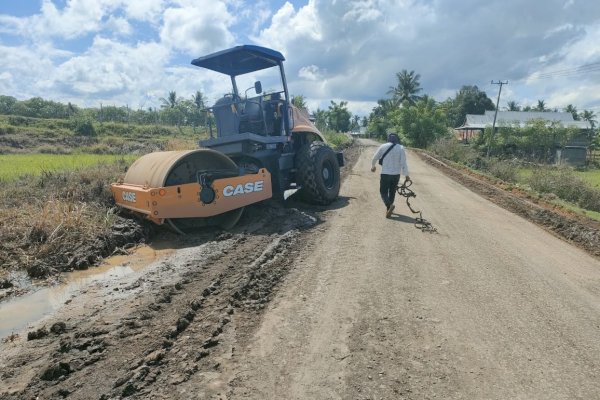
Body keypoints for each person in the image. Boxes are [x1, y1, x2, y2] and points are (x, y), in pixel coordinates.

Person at [371, 133, 410, 218]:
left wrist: (373, 166)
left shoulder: (383, 146)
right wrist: (406, 175)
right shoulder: (401, 148)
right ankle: (389, 208)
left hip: (385, 174)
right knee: (392, 192)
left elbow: (374, 158)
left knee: (383, 192)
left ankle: (389, 205)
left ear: (388, 139)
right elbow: (403, 163)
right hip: (396, 175)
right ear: (396, 140)